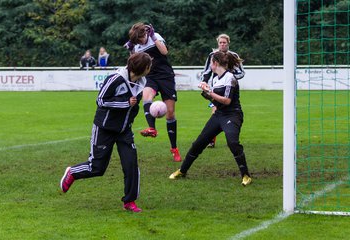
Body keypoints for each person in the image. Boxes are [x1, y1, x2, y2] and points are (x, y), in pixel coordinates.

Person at [60, 52, 152, 213]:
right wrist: (124, 103)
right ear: (142, 68)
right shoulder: (116, 79)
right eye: (149, 66)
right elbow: (100, 100)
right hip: (104, 128)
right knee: (97, 168)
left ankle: (129, 201)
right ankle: (73, 172)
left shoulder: (142, 82)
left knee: (131, 165)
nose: (150, 68)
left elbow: (138, 104)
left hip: (124, 130)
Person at [169, 51, 252, 186]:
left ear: (215, 63)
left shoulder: (230, 78)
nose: (209, 66)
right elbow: (216, 101)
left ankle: (246, 175)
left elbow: (226, 101)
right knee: (198, 143)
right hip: (219, 115)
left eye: (210, 63)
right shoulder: (215, 78)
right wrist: (206, 92)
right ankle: (182, 171)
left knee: (232, 143)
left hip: (232, 115)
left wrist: (210, 92)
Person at [123, 22, 182, 162]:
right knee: (146, 96)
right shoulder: (136, 46)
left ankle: (174, 148)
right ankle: (152, 128)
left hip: (166, 76)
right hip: (150, 76)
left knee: (170, 113)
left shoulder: (154, 36)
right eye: (138, 40)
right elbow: (134, 64)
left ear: (145, 33)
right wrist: (131, 51)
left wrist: (154, 37)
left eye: (143, 37)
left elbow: (165, 52)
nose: (142, 41)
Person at [200, 34, 245, 148]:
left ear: (228, 43)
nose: (222, 44)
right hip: (216, 89)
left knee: (228, 111)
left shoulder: (233, 55)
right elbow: (206, 71)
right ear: (218, 43)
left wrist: (229, 76)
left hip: (230, 88)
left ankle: (231, 137)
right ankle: (212, 140)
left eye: (224, 42)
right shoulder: (212, 55)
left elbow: (241, 73)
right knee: (215, 111)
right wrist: (204, 82)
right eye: (220, 42)